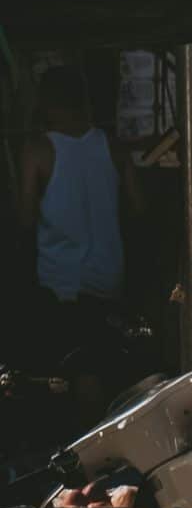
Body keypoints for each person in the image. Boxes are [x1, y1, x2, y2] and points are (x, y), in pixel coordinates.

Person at [17, 67, 141, 406]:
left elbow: (25, 218)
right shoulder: (112, 146)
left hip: (61, 283)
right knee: (102, 364)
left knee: (78, 372)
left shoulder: (38, 148)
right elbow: (137, 208)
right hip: (108, 277)